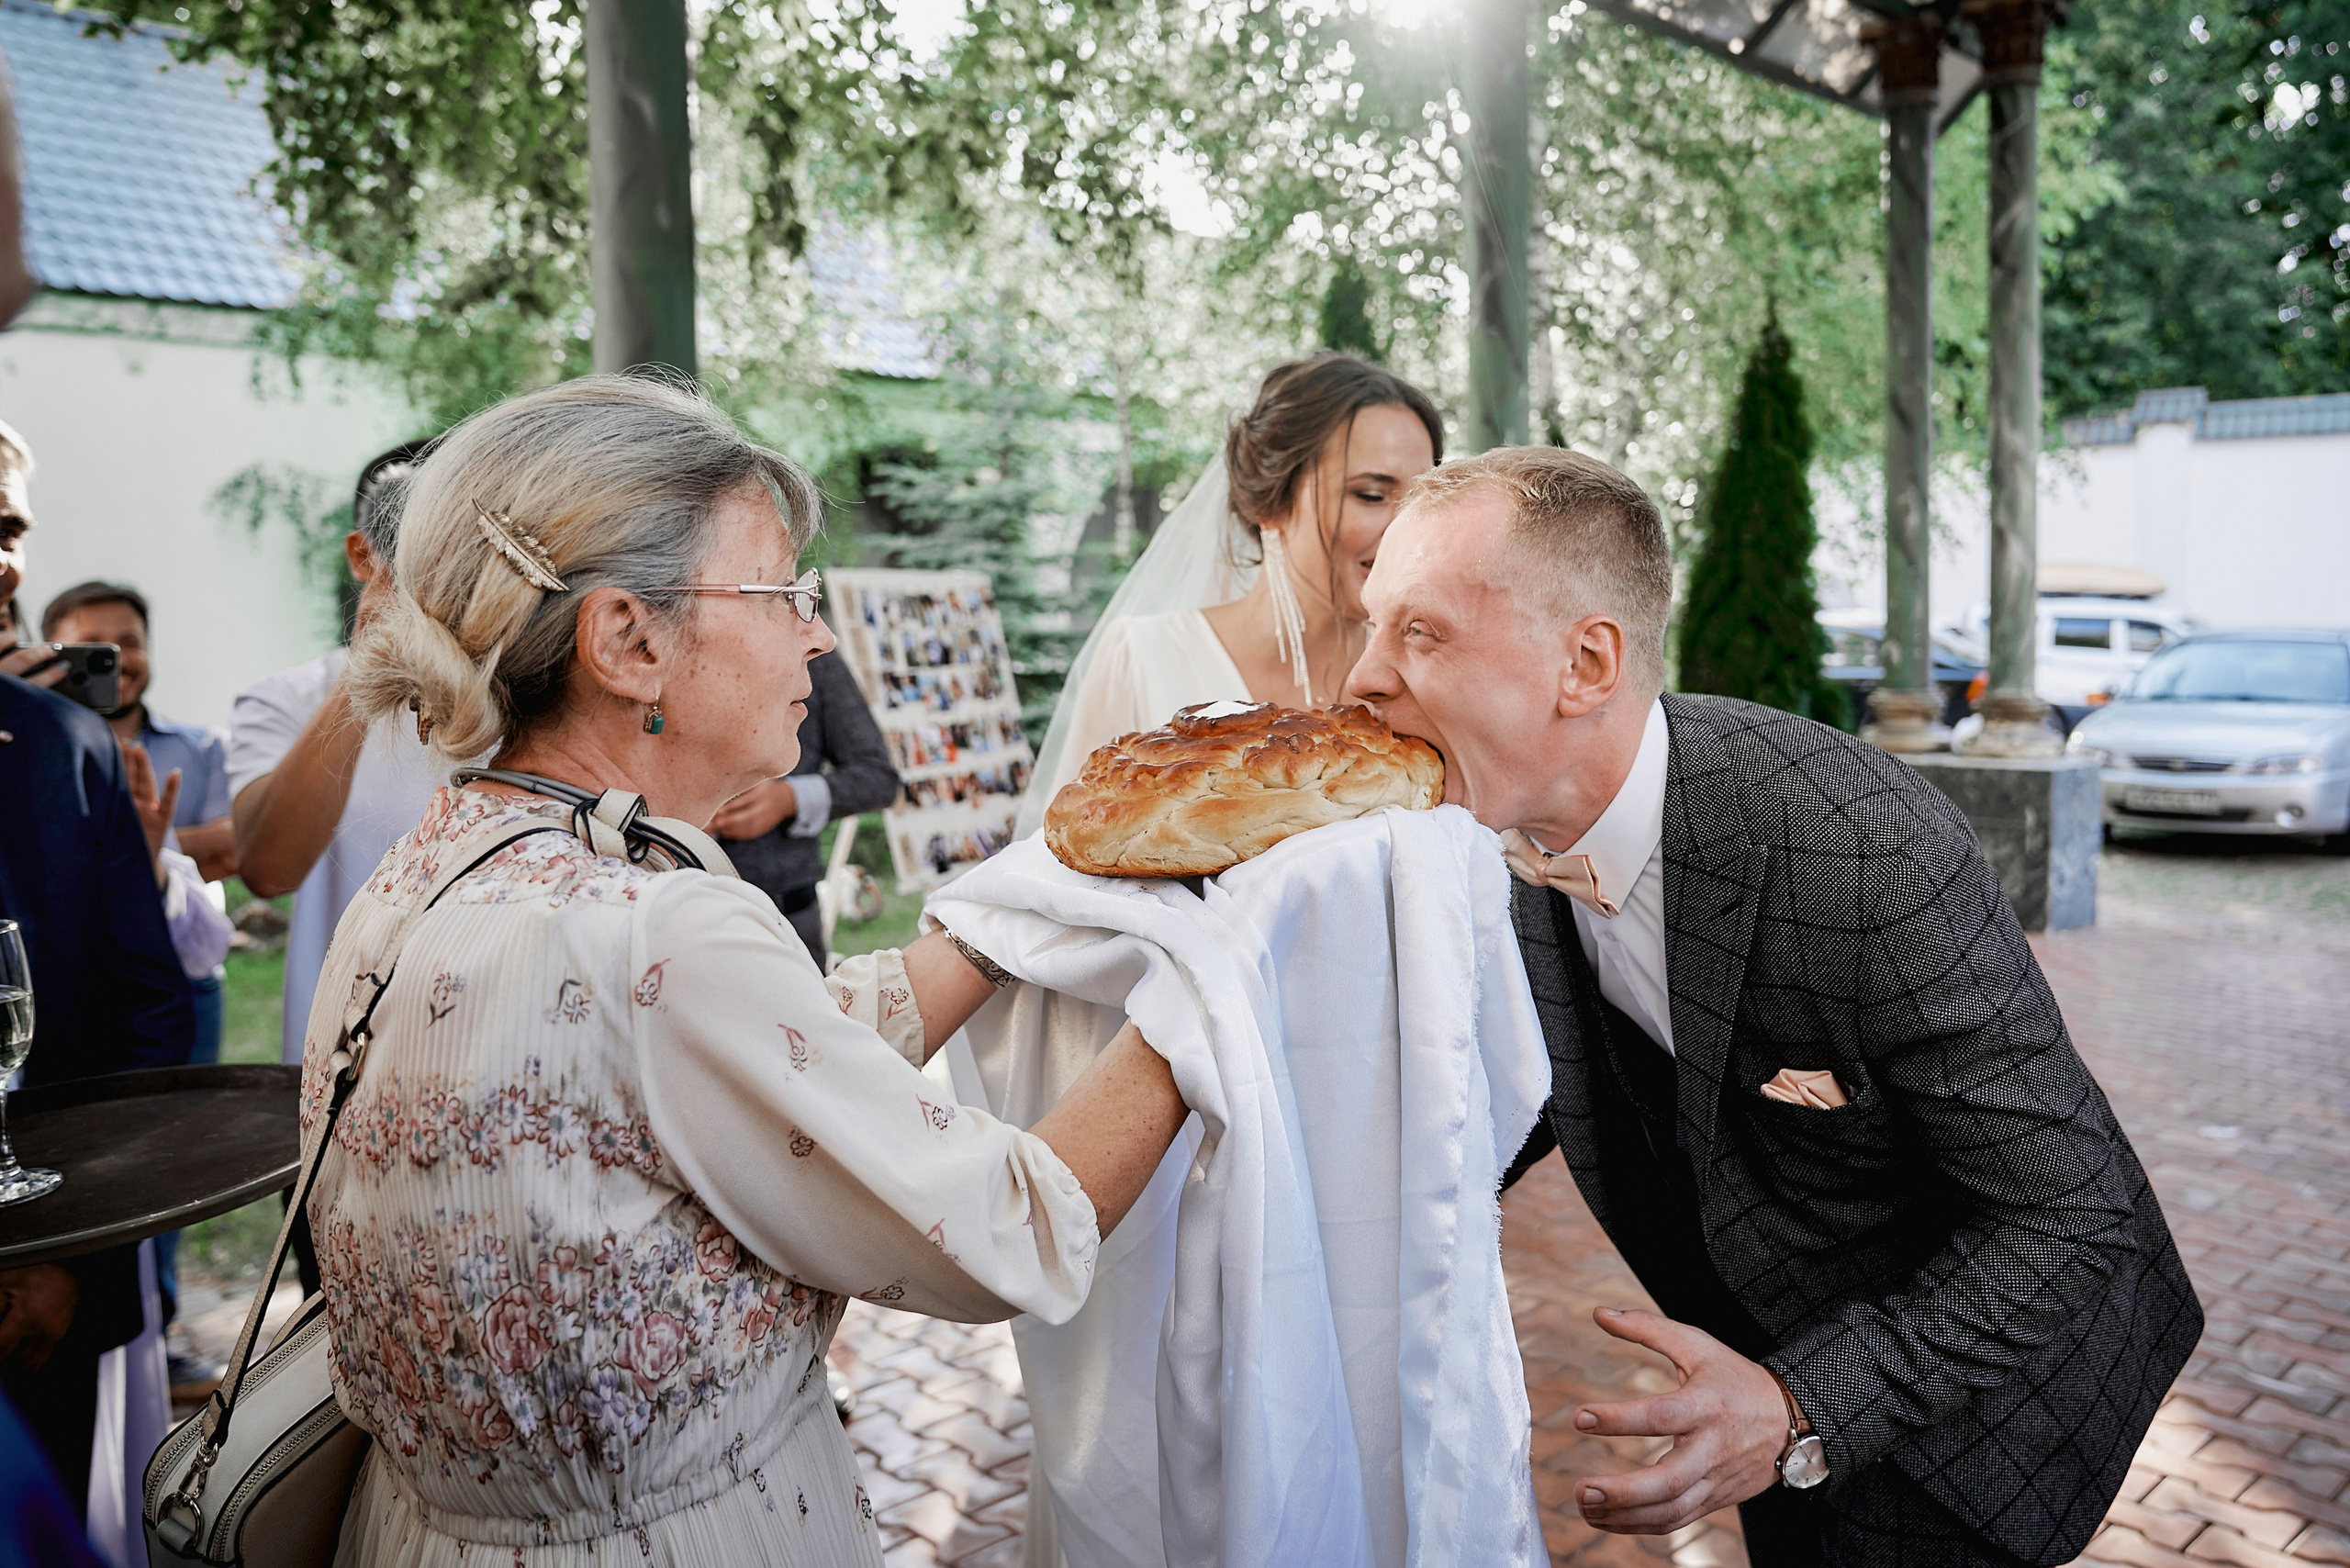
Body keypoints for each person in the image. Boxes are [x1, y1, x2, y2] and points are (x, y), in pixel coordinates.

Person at [316, 373, 1189, 1564]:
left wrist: (1015, 912)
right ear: (628, 639)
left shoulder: (440, 866)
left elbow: (771, 1055)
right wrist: (1209, 989)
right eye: (785, 592)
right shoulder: (652, 932)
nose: (819, 633)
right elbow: (1004, 1227)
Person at [1344, 445, 2202, 1568]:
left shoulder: (1865, 854)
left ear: (1585, 663)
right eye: (1372, 626)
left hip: (1984, 1418)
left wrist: (1799, 1407)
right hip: (1756, 1369)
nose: (1360, 676)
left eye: (1420, 632)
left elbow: (2069, 1217)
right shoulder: (1494, 828)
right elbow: (1527, 1078)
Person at [0, 416, 195, 1523]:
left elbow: (152, 1019)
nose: (2, 559)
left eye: (11, 527)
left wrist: (62, 1253)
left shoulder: (69, 745)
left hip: (52, 1299)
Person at [1019, 352, 1442, 831]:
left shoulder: (1426, 675)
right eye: (1370, 494)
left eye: (1422, 501)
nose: (1404, 529)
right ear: (1272, 499)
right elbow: (1068, 855)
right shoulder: (1143, 658)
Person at [227, 440, 442, 1069]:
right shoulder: (284, 700)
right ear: (362, 555)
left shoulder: (530, 692)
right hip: (345, 1058)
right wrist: (366, 668)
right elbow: (268, 869)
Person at [713, 647, 900, 967]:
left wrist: (789, 800)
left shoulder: (814, 655)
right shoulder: (664, 640)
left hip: (787, 914)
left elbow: (879, 778)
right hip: (675, 905)